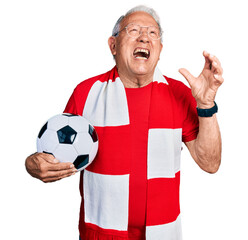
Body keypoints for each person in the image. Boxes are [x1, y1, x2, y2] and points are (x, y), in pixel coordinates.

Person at [25, 5, 223, 240]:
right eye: (133, 30)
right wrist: (32, 165)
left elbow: (210, 163)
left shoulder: (179, 93)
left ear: (160, 49)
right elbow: (55, 155)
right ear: (113, 45)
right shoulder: (86, 93)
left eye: (152, 33)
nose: (144, 38)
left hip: (164, 233)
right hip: (100, 234)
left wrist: (206, 105)